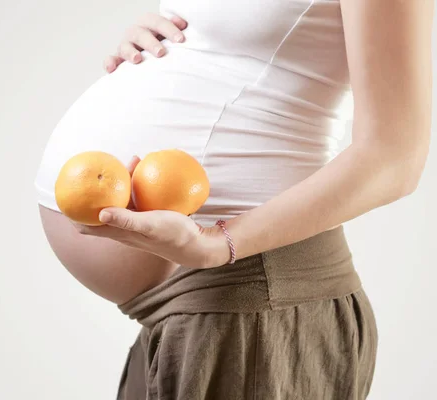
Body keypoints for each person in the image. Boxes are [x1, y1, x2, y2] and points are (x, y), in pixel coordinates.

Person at [35, 1, 433, 399]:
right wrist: (170, 48)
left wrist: (216, 244)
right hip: (210, 307)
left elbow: (394, 159)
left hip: (250, 295)